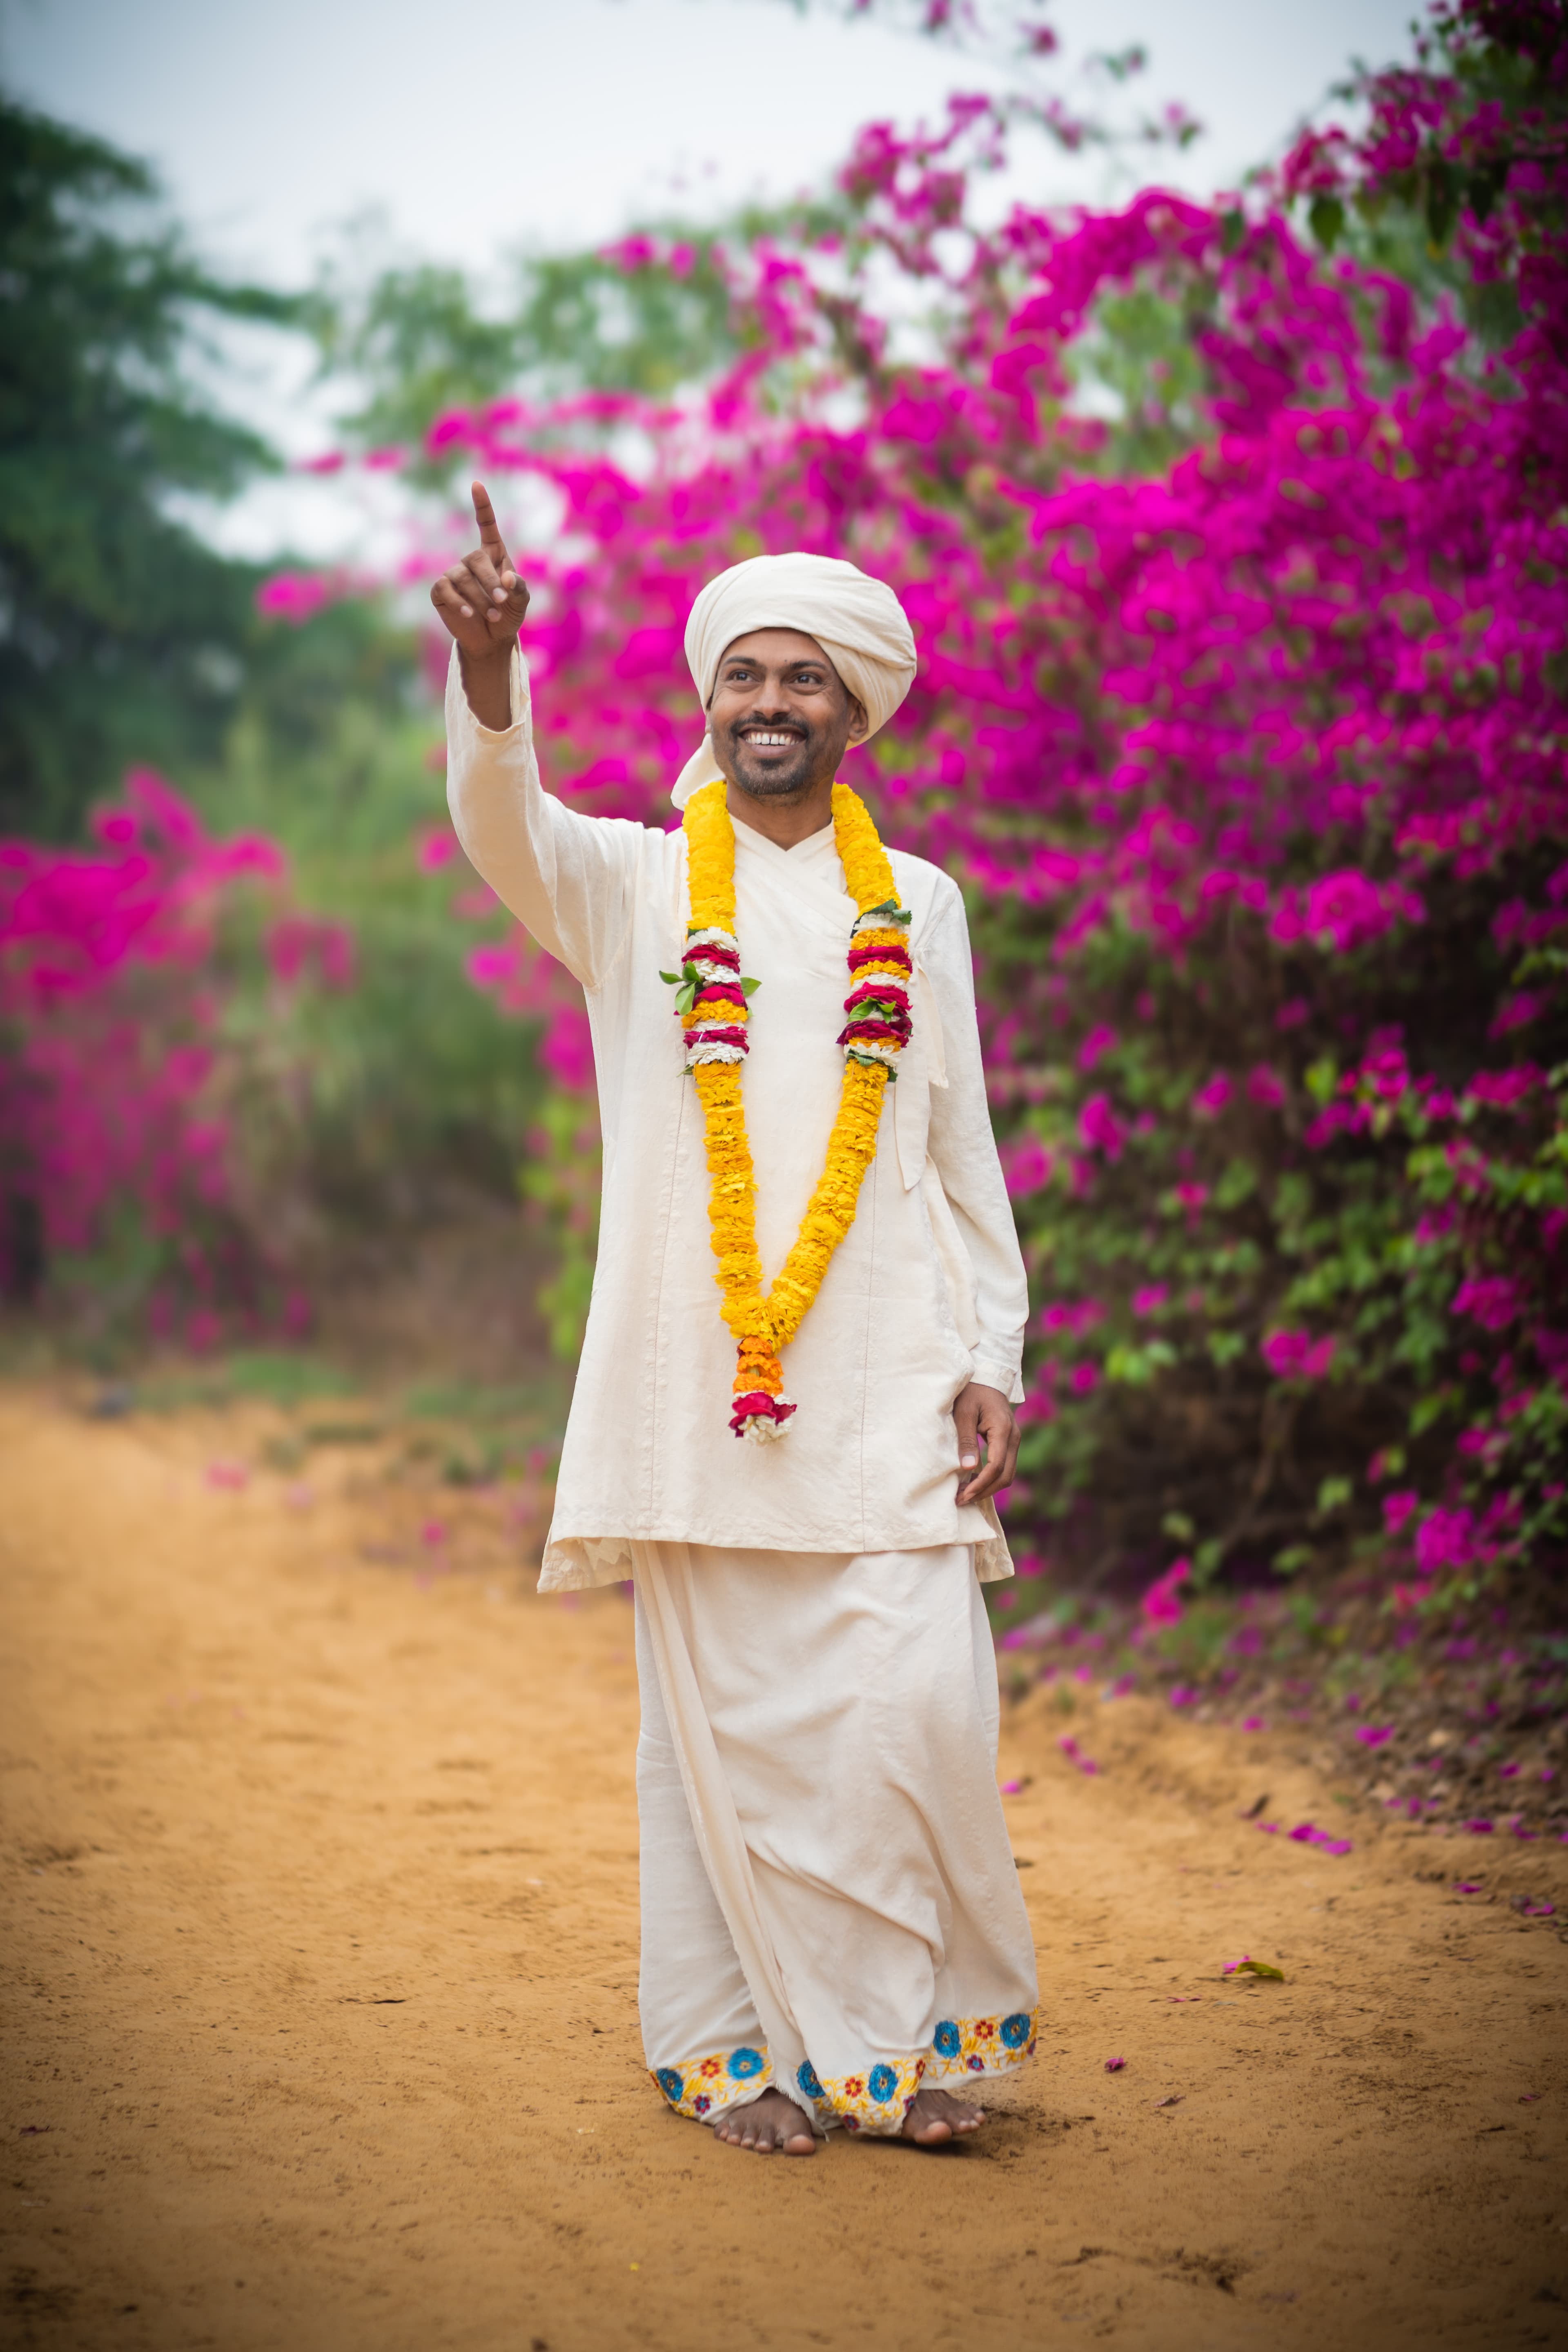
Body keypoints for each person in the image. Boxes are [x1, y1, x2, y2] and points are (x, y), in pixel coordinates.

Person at [435, 483, 1039, 2155]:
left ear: (857, 708)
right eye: (743, 678)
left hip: (893, 1366)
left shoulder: (918, 901)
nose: (770, 704)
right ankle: (729, 2055)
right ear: (707, 700)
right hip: (705, 1382)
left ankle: (905, 2041)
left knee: (919, 1710)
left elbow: (954, 1138)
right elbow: (505, 822)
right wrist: (494, 680)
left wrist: (992, 1354)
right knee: (715, 1734)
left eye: (805, 680)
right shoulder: (631, 885)